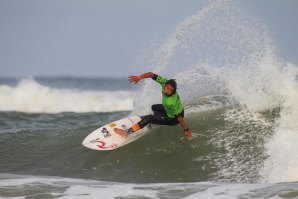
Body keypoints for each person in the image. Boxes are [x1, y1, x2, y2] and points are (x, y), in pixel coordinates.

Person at [114, 72, 193, 139]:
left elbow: (179, 118)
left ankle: (127, 132)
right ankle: (156, 119)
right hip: (176, 110)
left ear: (173, 91)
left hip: (173, 119)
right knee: (154, 107)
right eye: (167, 88)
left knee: (148, 118)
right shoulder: (164, 82)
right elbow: (151, 74)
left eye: (171, 90)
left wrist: (186, 129)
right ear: (165, 85)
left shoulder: (170, 102)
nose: (168, 91)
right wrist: (139, 77)